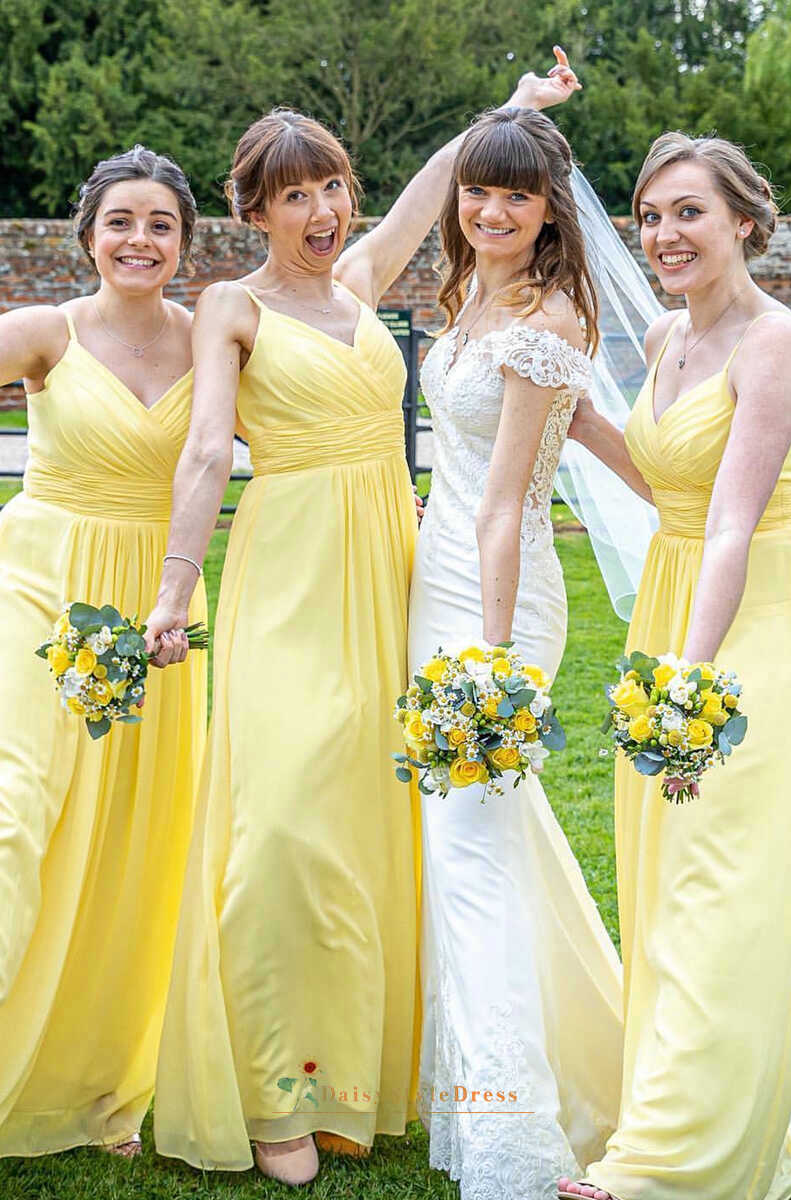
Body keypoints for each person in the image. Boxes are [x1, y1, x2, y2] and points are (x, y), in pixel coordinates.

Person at [143, 55, 579, 1187]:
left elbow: (440, 190)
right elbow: (205, 451)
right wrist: (177, 588)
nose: (325, 212)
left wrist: (512, 113)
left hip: (394, 565)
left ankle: (356, 1081)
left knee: (363, 831)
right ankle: (270, 1093)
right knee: (279, 826)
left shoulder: (363, 281)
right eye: (295, 195)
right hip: (290, 573)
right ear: (254, 211)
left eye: (332, 186)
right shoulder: (231, 305)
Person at [557, 132, 791, 1200]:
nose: (662, 235)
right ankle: (694, 1115)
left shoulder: (775, 342)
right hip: (674, 601)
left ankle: (666, 1168)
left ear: (744, 220)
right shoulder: (662, 339)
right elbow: (671, 491)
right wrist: (580, 421)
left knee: (719, 889)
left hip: (749, 622)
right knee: (661, 886)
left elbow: (735, 526)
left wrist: (685, 690)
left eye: (687, 213)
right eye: (650, 216)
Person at [407, 104, 626, 1200]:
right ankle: (511, 1096)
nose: (489, 210)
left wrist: (490, 665)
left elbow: (504, 508)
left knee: (473, 855)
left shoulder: (549, 317)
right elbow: (563, 436)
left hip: (496, 606)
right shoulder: (466, 300)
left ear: (549, 216)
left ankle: (519, 1141)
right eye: (476, 191)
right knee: (485, 852)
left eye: (516, 196)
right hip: (431, 588)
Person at [0, 146, 206, 1158]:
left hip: (158, 610)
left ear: (184, 242)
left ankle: (90, 1089)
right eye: (121, 221)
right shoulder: (46, 331)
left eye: (161, 224)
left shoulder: (213, 342)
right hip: (41, 588)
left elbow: (299, 439)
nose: (140, 240)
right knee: (16, 811)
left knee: (132, 842)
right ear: (87, 235)